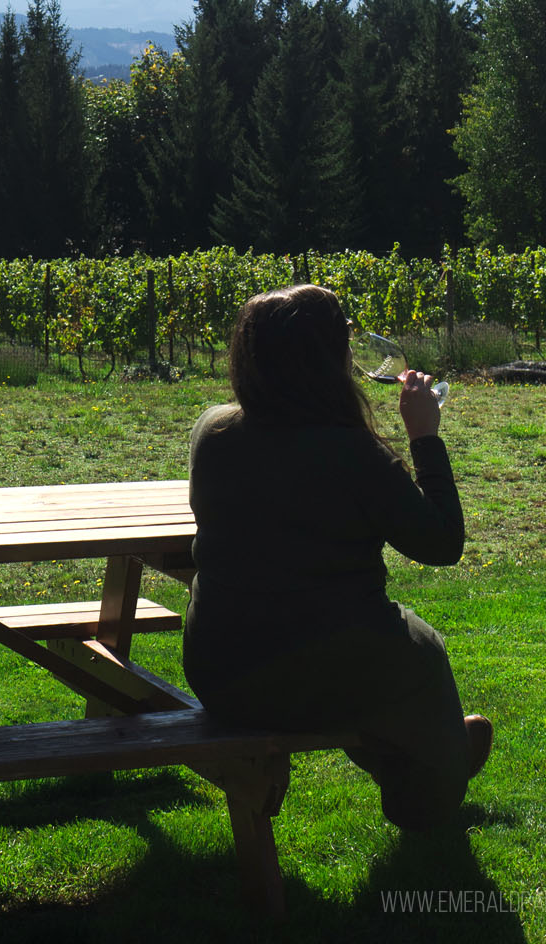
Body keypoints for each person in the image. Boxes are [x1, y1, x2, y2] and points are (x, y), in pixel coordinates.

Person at [183, 284, 492, 830]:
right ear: (328, 361)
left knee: (367, 658)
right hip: (321, 669)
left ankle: (437, 747)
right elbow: (442, 544)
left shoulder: (214, 431)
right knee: (418, 651)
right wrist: (423, 435)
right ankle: (432, 787)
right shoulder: (353, 453)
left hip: (222, 672)